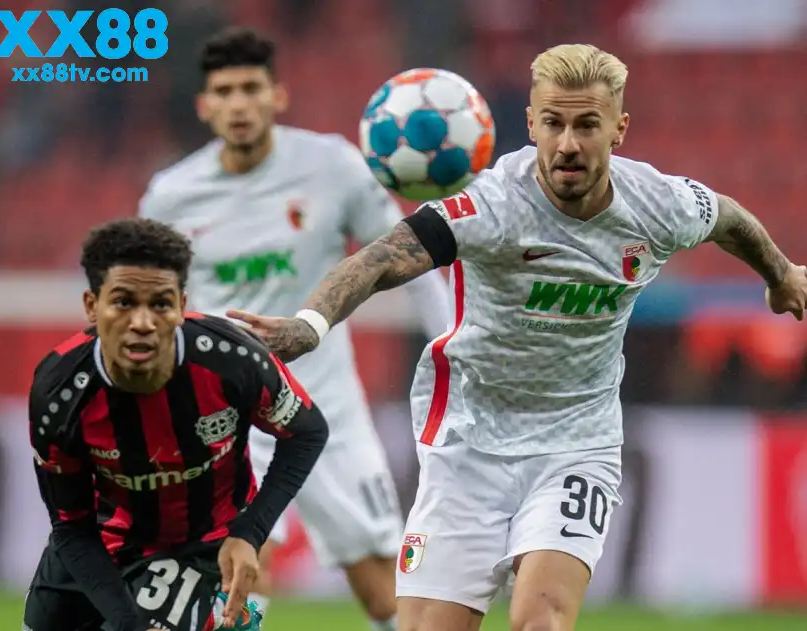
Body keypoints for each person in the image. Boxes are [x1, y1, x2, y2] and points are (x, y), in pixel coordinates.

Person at [225, 44, 807, 631]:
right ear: (531, 125)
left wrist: (781, 274)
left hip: (576, 444)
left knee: (541, 620)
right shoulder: (493, 205)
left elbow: (729, 219)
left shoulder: (659, 204)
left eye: (587, 125)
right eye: (553, 124)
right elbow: (383, 259)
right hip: (467, 445)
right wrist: (311, 324)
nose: (568, 144)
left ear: (619, 129)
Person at [138, 28, 452, 630]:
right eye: (224, 91)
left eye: (250, 88)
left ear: (277, 95)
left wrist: (451, 349)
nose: (239, 103)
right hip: (225, 416)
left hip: (328, 406)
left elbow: (408, 257)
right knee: (238, 575)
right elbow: (148, 306)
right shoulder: (171, 197)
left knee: (384, 592)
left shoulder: (332, 166)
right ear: (204, 106)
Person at [22, 218, 329, 631]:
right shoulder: (60, 393)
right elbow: (72, 527)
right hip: (98, 541)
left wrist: (249, 533)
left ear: (182, 306)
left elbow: (307, 432)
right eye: (123, 302)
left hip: (199, 548)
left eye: (161, 304)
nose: (143, 322)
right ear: (92, 306)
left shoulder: (233, 360)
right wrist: (127, 622)